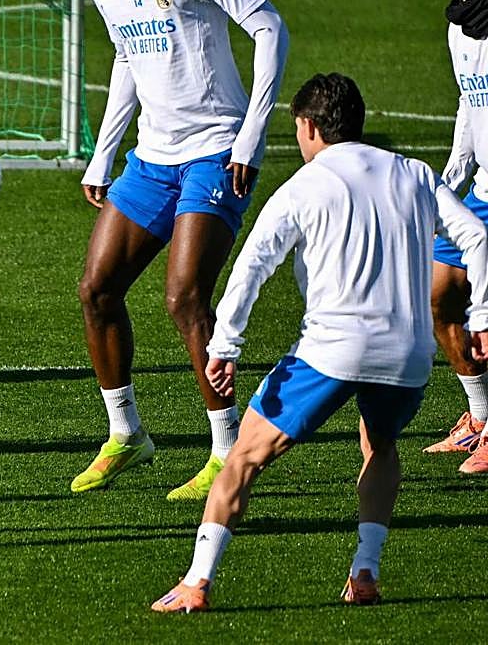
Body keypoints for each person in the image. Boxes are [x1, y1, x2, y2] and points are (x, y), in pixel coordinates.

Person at [152, 73, 488, 613]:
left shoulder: (304, 185)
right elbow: (476, 236)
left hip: (331, 349)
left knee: (244, 457)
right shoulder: (415, 174)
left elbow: (252, 267)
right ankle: (366, 569)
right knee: (380, 446)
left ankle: (196, 582)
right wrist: (482, 314)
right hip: (407, 355)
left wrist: (225, 346)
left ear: (309, 127)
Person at [73, 0, 289, 500]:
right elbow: (125, 58)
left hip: (216, 152)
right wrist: (103, 154)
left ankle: (228, 449)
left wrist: (250, 138)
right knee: (96, 289)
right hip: (153, 158)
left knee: (184, 298)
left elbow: (269, 27)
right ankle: (126, 433)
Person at [426, 0, 488, 473]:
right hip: (482, 191)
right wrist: (451, 180)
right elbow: (470, 104)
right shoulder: (459, 24)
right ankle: (480, 415)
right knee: (440, 294)